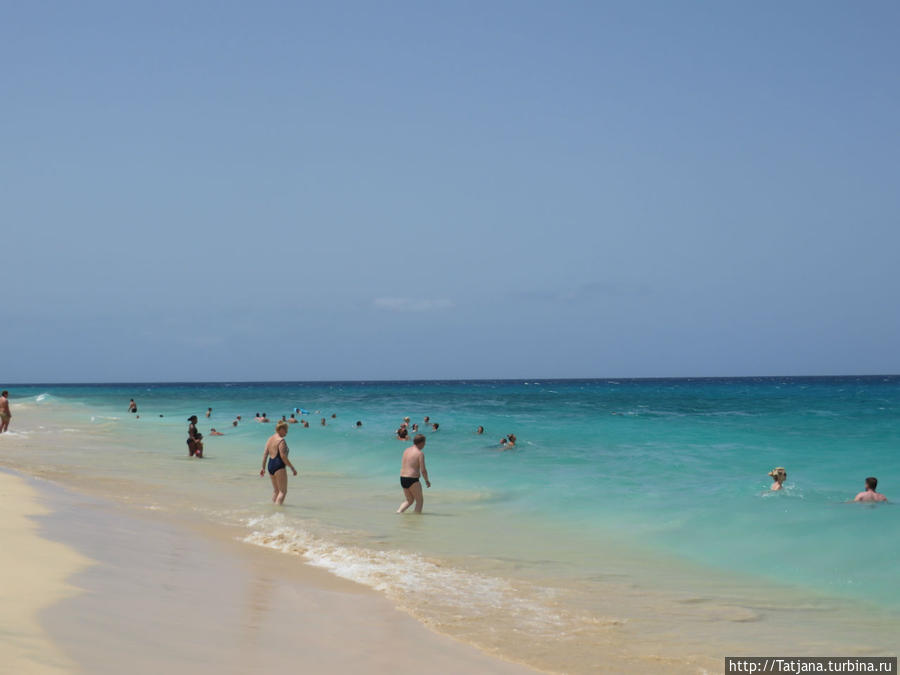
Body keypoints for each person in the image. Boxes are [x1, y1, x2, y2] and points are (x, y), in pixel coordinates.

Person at [259, 420, 297, 505]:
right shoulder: (281, 441)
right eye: (286, 430)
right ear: (281, 429)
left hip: (270, 465)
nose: (286, 433)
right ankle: (277, 512)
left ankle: (273, 509)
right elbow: (283, 456)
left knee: (276, 491)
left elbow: (265, 454)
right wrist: (292, 468)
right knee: (283, 492)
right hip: (279, 465)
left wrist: (263, 468)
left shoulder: (270, 439)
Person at [397, 434, 431, 514]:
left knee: (409, 500)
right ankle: (416, 519)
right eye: (424, 442)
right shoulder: (420, 453)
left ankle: (398, 512)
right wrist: (427, 481)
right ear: (421, 443)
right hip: (412, 479)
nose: (425, 444)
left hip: (402, 478)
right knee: (419, 501)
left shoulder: (406, 450)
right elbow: (423, 470)